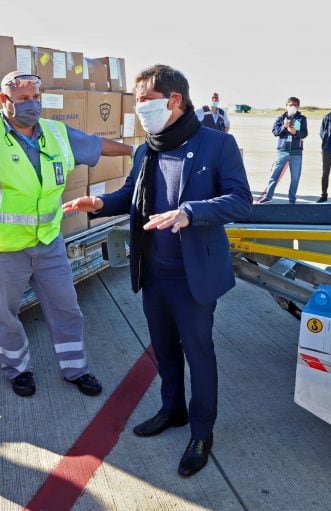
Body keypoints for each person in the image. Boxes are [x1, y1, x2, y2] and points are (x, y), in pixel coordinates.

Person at [63, 64, 252, 478]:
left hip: (193, 276)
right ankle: (173, 410)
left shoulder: (217, 144)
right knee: (164, 350)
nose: (138, 108)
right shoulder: (147, 148)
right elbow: (131, 194)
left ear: (174, 101)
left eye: (144, 100)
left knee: (199, 354)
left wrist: (190, 213)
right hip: (154, 271)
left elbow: (240, 200)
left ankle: (202, 432)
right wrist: (98, 204)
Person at [0, 71, 133, 399]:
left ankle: (76, 369)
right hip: (3, 250)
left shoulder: (56, 133)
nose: (32, 105)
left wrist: (137, 151)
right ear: (5, 101)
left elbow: (96, 144)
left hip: (49, 242)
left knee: (67, 308)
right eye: (23, 100)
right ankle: (17, 370)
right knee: (5, 314)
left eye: (36, 97)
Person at [257, 97, 308, 204]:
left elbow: (304, 133)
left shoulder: (302, 119)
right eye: (290, 104)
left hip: (296, 152)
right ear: (286, 105)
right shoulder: (281, 118)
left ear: (298, 106)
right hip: (282, 151)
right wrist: (284, 127)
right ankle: (268, 196)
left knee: (295, 177)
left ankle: (292, 198)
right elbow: (275, 132)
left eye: (295, 105)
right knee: (274, 175)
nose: (293, 107)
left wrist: (295, 132)